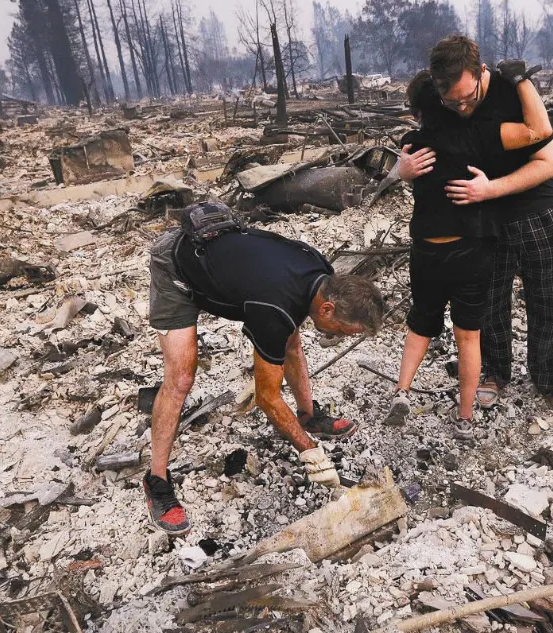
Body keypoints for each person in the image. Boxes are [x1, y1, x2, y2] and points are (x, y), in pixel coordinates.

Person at [144, 213, 385, 534]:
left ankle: (308, 415)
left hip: (223, 259)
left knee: (291, 340)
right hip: (177, 269)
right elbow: (268, 398)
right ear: (327, 309)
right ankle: (157, 481)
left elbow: (288, 333)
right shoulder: (275, 307)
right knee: (181, 378)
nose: (338, 336)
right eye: (342, 330)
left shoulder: (322, 274)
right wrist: (311, 453)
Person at [398, 35, 553, 410]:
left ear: (481, 71)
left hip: (538, 210)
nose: (462, 108)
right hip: (484, 223)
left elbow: (548, 163)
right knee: (489, 306)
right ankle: (494, 372)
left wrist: (491, 189)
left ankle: (549, 380)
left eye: (468, 98)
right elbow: (434, 152)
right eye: (453, 102)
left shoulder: (514, 94)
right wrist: (404, 170)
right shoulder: (445, 99)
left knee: (548, 303)